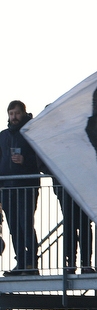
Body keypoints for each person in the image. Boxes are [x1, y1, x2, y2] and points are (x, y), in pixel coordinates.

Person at [0, 101, 39, 274]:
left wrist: (25, 161)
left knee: (26, 225)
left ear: (23, 113)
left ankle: (31, 264)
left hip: (26, 187)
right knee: (14, 227)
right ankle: (21, 263)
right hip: (7, 189)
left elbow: (41, 160)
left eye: (16, 113)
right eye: (11, 114)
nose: (13, 117)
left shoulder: (31, 133)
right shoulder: (3, 136)